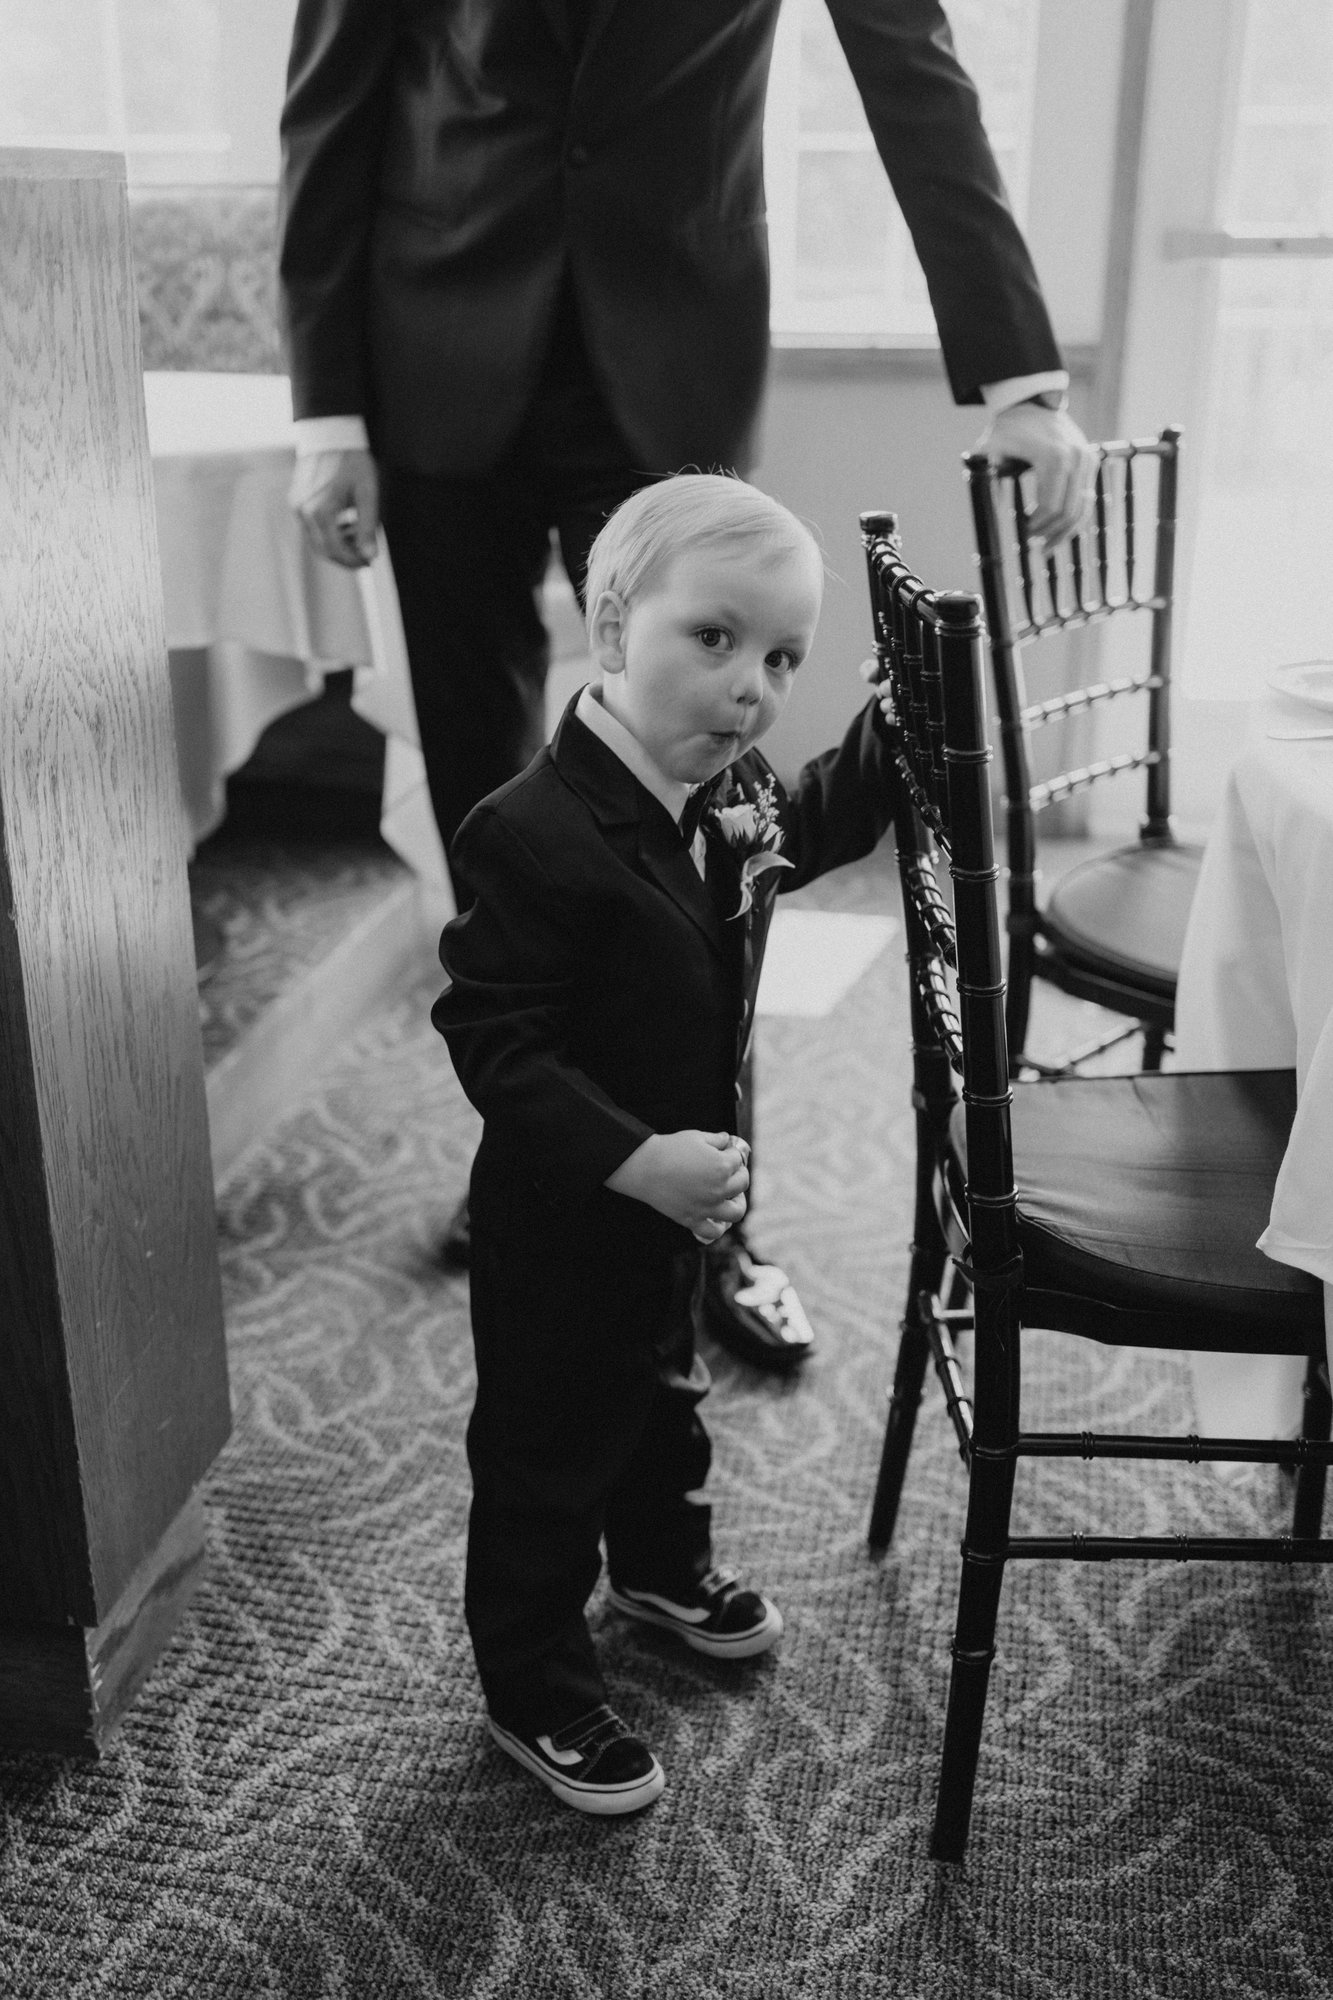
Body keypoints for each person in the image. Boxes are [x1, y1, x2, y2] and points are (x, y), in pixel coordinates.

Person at [279, 0, 1095, 1370]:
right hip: (429, 351)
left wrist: (1017, 376)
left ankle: (719, 1213)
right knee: (496, 813)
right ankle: (538, 1159)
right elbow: (332, 103)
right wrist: (326, 411)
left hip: (667, 350)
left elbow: (912, 69)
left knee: (710, 830)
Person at [432, 473, 901, 1812]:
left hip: (676, 1204)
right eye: (714, 640)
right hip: (568, 1209)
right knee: (546, 1447)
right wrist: (634, 1160)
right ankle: (534, 1684)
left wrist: (889, 721)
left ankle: (654, 1567)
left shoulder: (728, 790)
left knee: (660, 1401)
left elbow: (810, 823)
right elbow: (496, 1041)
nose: (750, 685)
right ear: (610, 626)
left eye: (780, 658)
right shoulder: (530, 832)